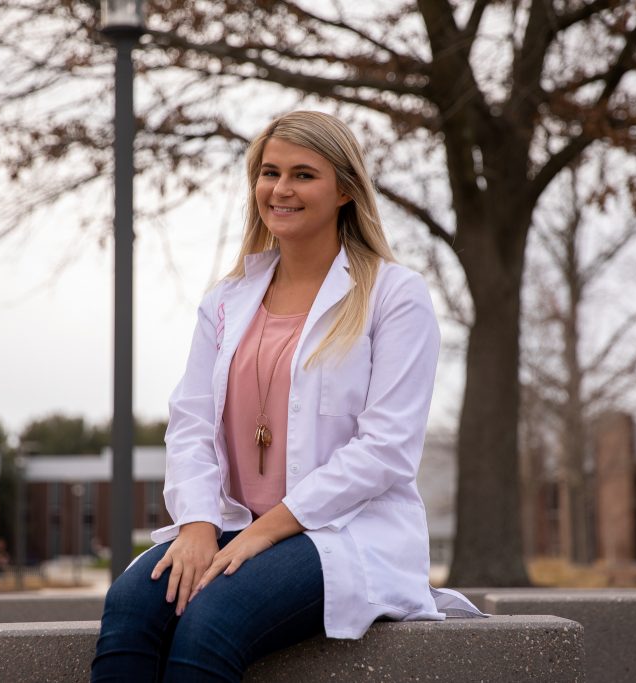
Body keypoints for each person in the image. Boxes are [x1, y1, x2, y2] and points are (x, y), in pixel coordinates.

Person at [91, 110, 483, 683]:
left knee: (210, 620)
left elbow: (386, 449)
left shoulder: (393, 296)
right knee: (130, 608)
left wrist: (265, 531)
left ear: (346, 190)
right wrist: (198, 523)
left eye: (304, 174)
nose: (280, 189)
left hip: (338, 533)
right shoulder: (226, 300)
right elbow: (192, 421)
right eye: (269, 172)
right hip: (228, 523)